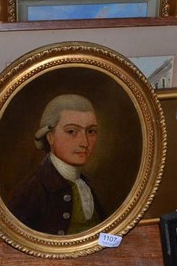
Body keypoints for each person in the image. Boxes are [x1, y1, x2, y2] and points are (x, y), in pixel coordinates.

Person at [8, 94, 105, 235]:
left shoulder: (84, 184)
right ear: (50, 137)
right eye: (71, 131)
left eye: (91, 131)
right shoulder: (31, 191)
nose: (85, 142)